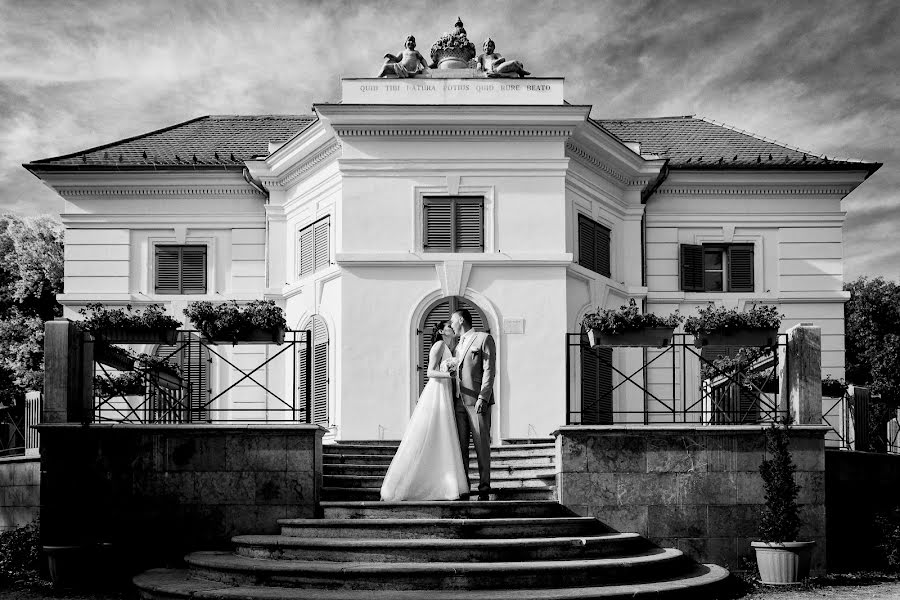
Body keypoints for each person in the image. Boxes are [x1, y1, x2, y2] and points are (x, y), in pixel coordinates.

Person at [380, 320, 469, 501]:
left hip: (445, 390)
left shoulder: (448, 347)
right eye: (448, 327)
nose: (452, 328)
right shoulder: (438, 345)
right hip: (437, 390)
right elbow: (429, 372)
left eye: (452, 326)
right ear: (442, 332)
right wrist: (450, 374)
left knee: (443, 433)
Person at [449, 308, 496, 500]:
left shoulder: (483, 338)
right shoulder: (456, 346)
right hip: (458, 402)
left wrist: (483, 397)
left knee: (481, 445)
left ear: (461, 320)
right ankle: (464, 487)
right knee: (460, 448)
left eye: (452, 321)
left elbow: (489, 370)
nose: (451, 325)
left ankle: (484, 488)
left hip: (477, 401)